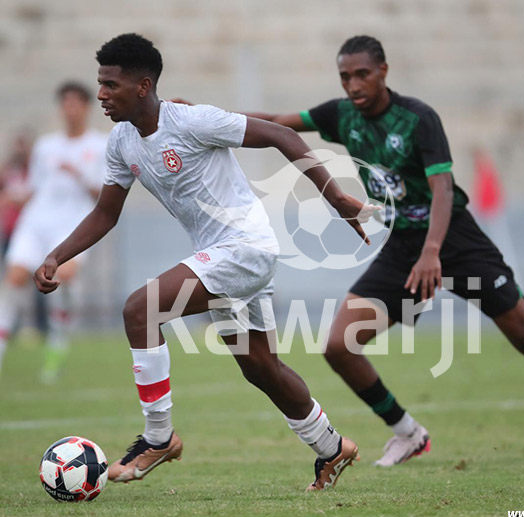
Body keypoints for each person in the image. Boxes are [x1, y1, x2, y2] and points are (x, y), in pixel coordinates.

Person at [247, 35, 524, 463]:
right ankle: (408, 433)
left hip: (456, 242)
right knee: (339, 345)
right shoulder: (341, 116)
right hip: (405, 247)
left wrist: (433, 252)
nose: (353, 85)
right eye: (345, 76)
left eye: (362, 74)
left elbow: (442, 188)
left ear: (383, 72)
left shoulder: (418, 118)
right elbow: (276, 122)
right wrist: (206, 117)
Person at [34, 33, 377, 490]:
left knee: (142, 308)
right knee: (261, 368)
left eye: (110, 85)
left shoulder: (193, 121)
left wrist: (335, 197)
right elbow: (105, 213)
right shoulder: (121, 142)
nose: (101, 95)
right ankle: (333, 448)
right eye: (100, 83)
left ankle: (159, 437)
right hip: (221, 256)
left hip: (244, 247)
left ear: (142, 85)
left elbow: (282, 134)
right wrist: (57, 256)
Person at [0, 83, 106, 381]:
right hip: (36, 221)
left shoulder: (99, 145)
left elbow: (104, 192)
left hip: (72, 225)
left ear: (86, 107)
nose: (70, 109)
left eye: (76, 103)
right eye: (65, 104)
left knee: (62, 277)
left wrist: (78, 173)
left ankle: (57, 341)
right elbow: (33, 189)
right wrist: (12, 195)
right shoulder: (46, 146)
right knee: (15, 278)